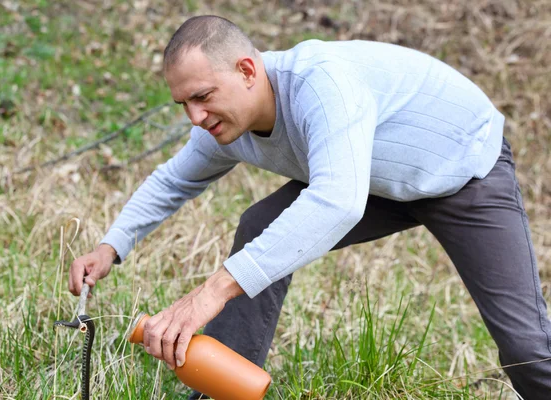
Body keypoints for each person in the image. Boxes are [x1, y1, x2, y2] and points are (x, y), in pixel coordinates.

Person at [68, 15, 551, 399]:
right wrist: (111, 246)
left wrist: (212, 291)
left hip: (462, 172)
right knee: (262, 226)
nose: (195, 117)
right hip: (372, 182)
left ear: (247, 70)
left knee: (527, 348)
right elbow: (173, 180)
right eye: (184, 104)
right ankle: (223, 390)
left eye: (203, 97)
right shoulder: (223, 125)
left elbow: (337, 202)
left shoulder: (322, 85)